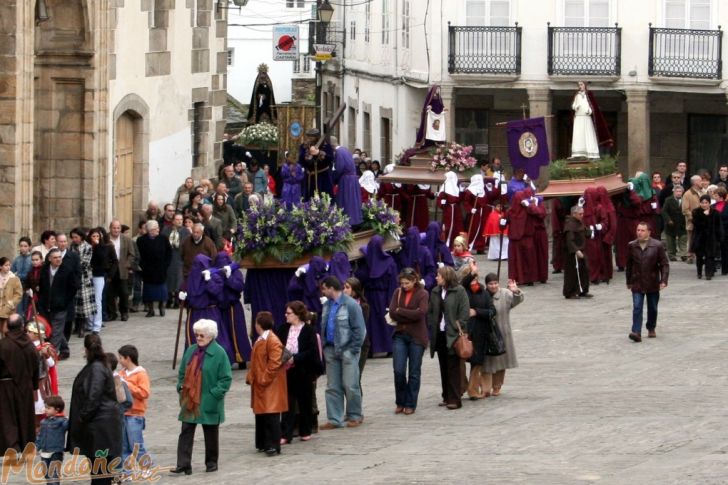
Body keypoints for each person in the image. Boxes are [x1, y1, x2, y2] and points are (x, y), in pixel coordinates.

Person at [172, 319, 232, 475]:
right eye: (196, 335)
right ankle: (183, 464)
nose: (198, 338)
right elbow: (182, 373)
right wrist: (180, 386)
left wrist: (214, 394)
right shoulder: (191, 350)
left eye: (201, 335)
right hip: (190, 399)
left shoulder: (220, 353)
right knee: (186, 431)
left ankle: (211, 463)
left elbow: (226, 378)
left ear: (211, 336)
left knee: (211, 433)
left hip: (208, 399)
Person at [68, 334, 121, 484]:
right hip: (101, 426)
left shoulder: (96, 368)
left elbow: (93, 397)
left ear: (86, 349)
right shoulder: (98, 365)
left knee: (100, 472)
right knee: (100, 471)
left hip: (99, 428)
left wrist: (82, 417)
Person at [318, 276, 367, 429]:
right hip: (331, 349)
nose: (323, 292)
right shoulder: (327, 305)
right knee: (332, 385)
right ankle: (334, 419)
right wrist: (325, 346)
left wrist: (353, 349)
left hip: (347, 350)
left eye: (324, 289)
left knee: (350, 384)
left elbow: (360, 329)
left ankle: (354, 415)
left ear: (331, 288)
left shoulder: (351, 304)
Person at [276, 302, 322, 444]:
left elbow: (311, 351)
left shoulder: (308, 330)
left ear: (297, 314)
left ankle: (305, 430)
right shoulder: (283, 328)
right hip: (287, 370)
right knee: (288, 403)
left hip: (303, 370)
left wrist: (295, 358)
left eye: (289, 313)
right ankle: (285, 433)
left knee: (305, 401)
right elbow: (277, 346)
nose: (286, 315)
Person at [427, 266, 470, 410]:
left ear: (446, 277)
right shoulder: (435, 291)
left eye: (438, 276)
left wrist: (459, 326)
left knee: (453, 366)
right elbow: (431, 311)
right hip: (439, 333)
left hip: (453, 334)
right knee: (443, 365)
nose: (436, 278)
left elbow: (464, 312)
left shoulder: (459, 291)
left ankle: (455, 399)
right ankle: (446, 395)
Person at [245, 312, 287, 455]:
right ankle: (263, 442)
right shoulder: (262, 339)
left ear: (259, 324)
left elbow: (275, 363)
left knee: (271, 414)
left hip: (270, 384)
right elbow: (256, 362)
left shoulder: (272, 340)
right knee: (263, 414)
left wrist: (264, 378)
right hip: (262, 384)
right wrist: (251, 376)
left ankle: (273, 444)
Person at [388, 268, 429, 414]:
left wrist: (401, 312)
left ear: (414, 281)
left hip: (417, 336)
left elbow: (421, 313)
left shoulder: (423, 293)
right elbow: (392, 312)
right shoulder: (397, 292)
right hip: (400, 334)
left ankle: (410, 403)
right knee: (398, 370)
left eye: (407, 283)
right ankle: (400, 400)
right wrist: (403, 313)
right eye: (402, 283)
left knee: (414, 372)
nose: (404, 286)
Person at [0, 313, 39, 458]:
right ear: (22, 326)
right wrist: (34, 386)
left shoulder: (3, 345)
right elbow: (36, 365)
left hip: (6, 387)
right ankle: (26, 447)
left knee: (8, 418)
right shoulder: (29, 345)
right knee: (24, 416)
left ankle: (13, 448)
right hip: (25, 386)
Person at [354, 235, 399, 354]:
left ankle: (371, 348)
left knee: (371, 322)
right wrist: (392, 300)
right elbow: (393, 282)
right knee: (384, 321)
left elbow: (360, 276)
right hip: (384, 295)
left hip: (369, 296)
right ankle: (389, 347)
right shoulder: (390, 263)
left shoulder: (367, 263)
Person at [626, 222, 670, 342]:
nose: (639, 233)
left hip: (652, 282)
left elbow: (664, 264)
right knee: (637, 307)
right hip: (637, 281)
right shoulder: (632, 245)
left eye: (642, 230)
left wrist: (664, 280)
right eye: (638, 230)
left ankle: (651, 327)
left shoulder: (657, 245)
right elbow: (629, 265)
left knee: (653, 307)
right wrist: (628, 281)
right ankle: (636, 331)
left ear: (649, 232)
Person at [460, 261, 497, 400]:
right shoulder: (461, 290)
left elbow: (492, 311)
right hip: (465, 332)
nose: (474, 281)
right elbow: (463, 283)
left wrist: (476, 312)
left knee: (477, 363)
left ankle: (473, 390)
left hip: (481, 332)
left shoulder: (483, 292)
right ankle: (461, 385)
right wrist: (471, 273)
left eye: (476, 278)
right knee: (460, 361)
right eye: (472, 278)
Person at [483, 274, 523, 396]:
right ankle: (485, 387)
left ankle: (497, 386)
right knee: (487, 361)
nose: (493, 286)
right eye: (490, 284)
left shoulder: (505, 294)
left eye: (495, 283)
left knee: (501, 361)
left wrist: (515, 291)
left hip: (502, 331)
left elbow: (516, 300)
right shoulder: (482, 295)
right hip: (486, 332)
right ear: (486, 285)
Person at [117, 344, 152, 476]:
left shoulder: (141, 374)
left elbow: (144, 393)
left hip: (135, 414)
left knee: (136, 444)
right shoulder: (121, 373)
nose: (119, 360)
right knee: (123, 446)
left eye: (121, 358)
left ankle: (146, 467)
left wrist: (127, 384)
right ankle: (126, 472)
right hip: (122, 413)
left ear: (128, 358)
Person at [213, 252, 252, 366]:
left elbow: (239, 287)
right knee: (224, 334)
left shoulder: (235, 272)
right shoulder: (215, 272)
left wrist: (229, 277)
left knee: (238, 333)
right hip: (220, 307)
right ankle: (227, 359)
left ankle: (242, 358)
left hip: (233, 306)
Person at [37, 248, 76, 357]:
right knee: (53, 329)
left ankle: (52, 355)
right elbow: (41, 286)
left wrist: (64, 301)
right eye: (55, 257)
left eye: (60, 257)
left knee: (55, 332)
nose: (58, 259)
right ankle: (65, 350)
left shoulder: (67, 270)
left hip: (60, 307)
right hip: (46, 305)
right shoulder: (44, 269)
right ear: (49, 259)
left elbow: (73, 288)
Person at [180, 254, 223, 348]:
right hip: (194, 314)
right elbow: (185, 293)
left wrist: (209, 281)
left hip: (209, 313)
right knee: (193, 339)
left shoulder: (214, 277)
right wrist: (182, 297)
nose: (197, 268)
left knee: (210, 338)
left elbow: (217, 292)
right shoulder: (190, 278)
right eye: (195, 265)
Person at [570, 80, 612, 160]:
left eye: (581, 84)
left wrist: (589, 111)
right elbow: (573, 105)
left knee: (588, 134)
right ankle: (578, 153)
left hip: (586, 117)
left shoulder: (589, 94)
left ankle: (591, 153)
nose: (580, 86)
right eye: (579, 85)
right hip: (578, 117)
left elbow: (593, 106)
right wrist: (576, 107)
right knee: (578, 135)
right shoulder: (577, 95)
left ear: (585, 85)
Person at [106, 220, 134, 322]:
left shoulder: (126, 239)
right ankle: (112, 313)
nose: (116, 230)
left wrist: (127, 264)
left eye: (118, 228)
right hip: (110, 269)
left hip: (122, 269)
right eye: (114, 227)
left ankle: (124, 312)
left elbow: (131, 254)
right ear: (110, 228)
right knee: (110, 293)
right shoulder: (106, 238)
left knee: (124, 292)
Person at [507, 191, 537, 286]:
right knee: (515, 260)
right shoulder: (511, 211)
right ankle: (516, 278)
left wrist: (529, 205)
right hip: (514, 239)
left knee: (528, 259)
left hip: (527, 237)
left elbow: (539, 213)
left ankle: (529, 278)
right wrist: (502, 222)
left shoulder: (528, 210)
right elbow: (504, 222)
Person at [36, 395, 68, 485]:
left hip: (56, 452)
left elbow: (70, 426)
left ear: (57, 409)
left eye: (48, 408)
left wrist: (67, 418)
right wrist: (36, 447)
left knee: (53, 474)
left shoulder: (62, 421)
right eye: (45, 407)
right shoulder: (43, 422)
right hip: (44, 452)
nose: (45, 409)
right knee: (46, 474)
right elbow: (40, 436)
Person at [343, 277, 370, 382]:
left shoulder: (363, 306)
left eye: (347, 287)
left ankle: (357, 399)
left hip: (360, 344)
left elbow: (358, 325)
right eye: (343, 287)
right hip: (344, 344)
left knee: (355, 378)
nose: (344, 290)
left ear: (354, 290)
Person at [563, 205, 592, 299]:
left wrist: (591, 231)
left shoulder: (579, 222)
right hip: (573, 253)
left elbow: (585, 231)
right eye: (580, 214)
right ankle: (570, 292)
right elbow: (569, 240)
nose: (582, 215)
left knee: (585, 270)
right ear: (574, 214)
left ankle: (583, 290)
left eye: (583, 213)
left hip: (582, 250)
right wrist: (576, 250)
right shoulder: (570, 224)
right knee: (573, 273)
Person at [394, 226, 437, 291]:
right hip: (404, 287)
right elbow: (397, 270)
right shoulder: (402, 253)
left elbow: (431, 271)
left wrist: (425, 282)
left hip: (420, 288)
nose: (412, 240)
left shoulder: (425, 252)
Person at [691, 194, 723, 280]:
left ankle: (708, 273)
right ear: (700, 203)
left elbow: (718, 226)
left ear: (709, 203)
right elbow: (697, 225)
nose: (704, 204)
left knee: (710, 256)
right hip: (699, 238)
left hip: (711, 238)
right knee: (699, 257)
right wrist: (705, 216)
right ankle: (699, 272)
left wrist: (720, 238)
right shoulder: (696, 212)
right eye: (702, 202)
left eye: (706, 202)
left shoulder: (715, 213)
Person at [162, 213, 190, 308]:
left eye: (181, 219)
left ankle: (178, 300)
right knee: (169, 279)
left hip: (180, 258)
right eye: (177, 219)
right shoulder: (166, 230)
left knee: (179, 279)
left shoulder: (186, 231)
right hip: (169, 258)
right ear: (173, 220)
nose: (179, 221)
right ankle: (169, 298)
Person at [299, 129, 335, 200]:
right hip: (309, 176)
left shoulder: (326, 146)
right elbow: (301, 160)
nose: (309, 139)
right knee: (309, 199)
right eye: (308, 136)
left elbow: (330, 159)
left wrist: (319, 153)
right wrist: (307, 157)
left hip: (322, 176)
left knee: (324, 198)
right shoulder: (303, 146)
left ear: (317, 137)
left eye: (312, 137)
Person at [333, 147, 364, 226]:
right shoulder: (346, 150)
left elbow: (339, 167)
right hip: (353, 178)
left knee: (346, 201)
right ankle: (355, 221)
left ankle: (347, 222)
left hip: (346, 180)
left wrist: (333, 177)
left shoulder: (339, 152)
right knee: (353, 201)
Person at [437, 171, 464, 248]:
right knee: (447, 226)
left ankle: (455, 244)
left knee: (456, 226)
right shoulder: (444, 188)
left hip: (455, 209)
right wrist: (442, 203)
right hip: (448, 209)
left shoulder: (456, 188)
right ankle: (446, 243)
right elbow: (439, 199)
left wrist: (461, 192)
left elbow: (459, 200)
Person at [661, 185, 688, 262]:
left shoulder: (685, 199)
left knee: (683, 239)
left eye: (680, 191)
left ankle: (684, 254)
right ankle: (671, 255)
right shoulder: (668, 200)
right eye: (677, 191)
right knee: (670, 241)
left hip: (682, 223)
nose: (679, 193)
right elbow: (664, 211)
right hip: (671, 223)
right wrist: (668, 219)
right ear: (674, 192)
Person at [682, 174, 704, 264]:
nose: (702, 182)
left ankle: (701, 255)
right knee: (691, 238)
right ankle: (690, 256)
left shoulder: (703, 192)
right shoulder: (687, 194)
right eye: (700, 180)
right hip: (692, 222)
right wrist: (693, 218)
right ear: (695, 182)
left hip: (703, 221)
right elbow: (685, 209)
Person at [0, 257, 23, 326]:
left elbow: (18, 294)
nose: (8, 267)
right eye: (6, 265)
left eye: (9, 265)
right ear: (0, 266)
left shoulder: (14, 278)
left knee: (6, 329)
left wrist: (11, 303)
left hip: (8, 310)